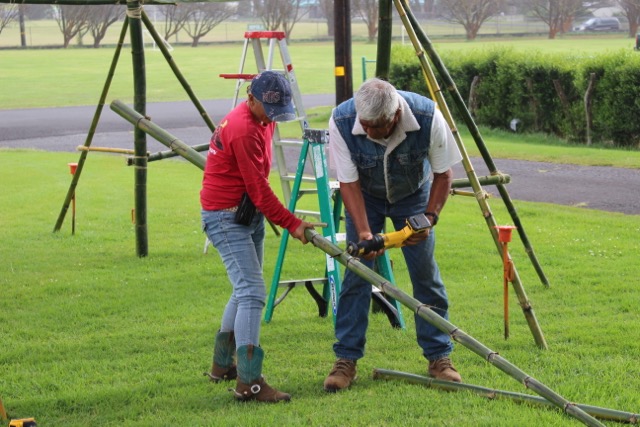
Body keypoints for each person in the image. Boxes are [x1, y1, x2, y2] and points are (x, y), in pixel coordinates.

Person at [324, 78, 463, 392]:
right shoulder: (342, 120)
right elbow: (348, 182)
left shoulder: (428, 117)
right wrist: (364, 232)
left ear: (395, 116)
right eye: (364, 125)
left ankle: (439, 357)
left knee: (425, 274)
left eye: (376, 127)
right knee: (357, 274)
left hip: (413, 195)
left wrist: (428, 219)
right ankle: (346, 359)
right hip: (365, 197)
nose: (368, 132)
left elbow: (443, 175)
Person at [201, 70, 313, 403]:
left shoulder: (264, 117)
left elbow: (257, 186)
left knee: (245, 289)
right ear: (251, 97)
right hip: (226, 217)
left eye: (279, 112)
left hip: (246, 212)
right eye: (269, 110)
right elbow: (259, 189)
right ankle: (249, 383)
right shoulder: (242, 129)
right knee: (252, 292)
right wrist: (293, 223)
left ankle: (223, 365)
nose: (273, 118)